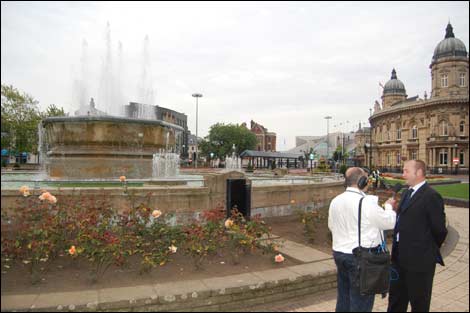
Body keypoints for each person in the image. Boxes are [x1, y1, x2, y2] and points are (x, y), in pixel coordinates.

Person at [328, 167, 397, 312]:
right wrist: (389, 207)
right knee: (361, 303)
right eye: (367, 178)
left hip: (340, 255)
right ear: (362, 181)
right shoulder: (366, 202)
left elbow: (331, 226)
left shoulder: (335, 201)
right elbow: (389, 223)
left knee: (344, 298)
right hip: (360, 259)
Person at [387, 160, 447, 312]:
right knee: (395, 302)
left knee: (419, 304)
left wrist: (426, 249)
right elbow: (405, 220)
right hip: (399, 259)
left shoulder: (431, 196)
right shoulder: (407, 192)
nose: (403, 174)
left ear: (419, 172)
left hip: (420, 263)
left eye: (406, 171)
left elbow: (439, 230)